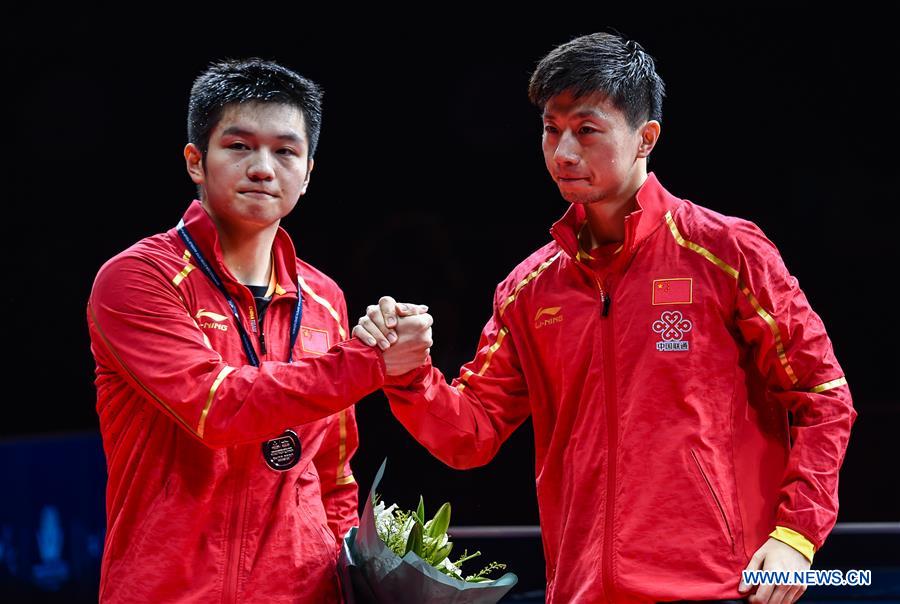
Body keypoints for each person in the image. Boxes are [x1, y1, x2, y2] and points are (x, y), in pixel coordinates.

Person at [356, 33, 857, 603]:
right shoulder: (527, 289)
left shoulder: (725, 251)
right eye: (551, 129)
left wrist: (796, 536)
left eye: (587, 130)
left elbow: (823, 395)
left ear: (646, 138)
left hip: (723, 587)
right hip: (581, 591)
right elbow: (471, 435)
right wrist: (407, 373)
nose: (563, 151)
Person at [86, 58, 432, 603]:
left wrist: (347, 571)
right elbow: (216, 407)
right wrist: (371, 362)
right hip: (169, 591)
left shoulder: (325, 300)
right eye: (239, 146)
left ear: (309, 171)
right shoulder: (137, 278)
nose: (263, 168)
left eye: (285, 151)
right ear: (196, 161)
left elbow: (333, 473)